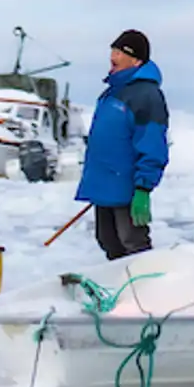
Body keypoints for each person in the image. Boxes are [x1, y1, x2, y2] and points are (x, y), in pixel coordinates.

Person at [76, 29, 168, 260]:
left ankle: (147, 290)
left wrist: (143, 188)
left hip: (127, 187)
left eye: (119, 52)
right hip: (105, 185)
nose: (112, 56)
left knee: (133, 243)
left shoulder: (146, 95)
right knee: (108, 241)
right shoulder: (113, 92)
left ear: (136, 59)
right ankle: (121, 290)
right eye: (112, 50)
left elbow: (153, 142)